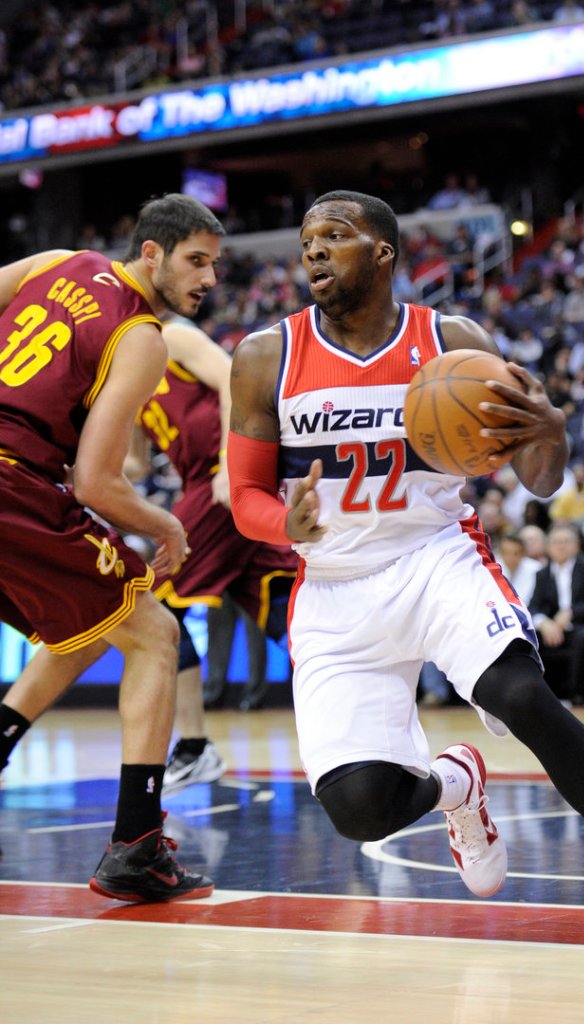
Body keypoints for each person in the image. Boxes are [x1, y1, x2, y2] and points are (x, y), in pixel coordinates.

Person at [226, 190, 584, 970]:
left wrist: (550, 433)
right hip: (333, 588)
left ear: (383, 252)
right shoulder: (265, 355)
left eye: (334, 237)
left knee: (522, 697)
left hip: (435, 556)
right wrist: (282, 525)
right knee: (360, 810)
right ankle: (457, 784)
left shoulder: (451, 341)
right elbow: (246, 497)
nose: (313, 252)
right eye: (306, 240)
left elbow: (537, 478)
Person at [0, 193, 224, 902]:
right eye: (196, 261)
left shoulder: (57, 262)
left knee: (93, 621)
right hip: (13, 483)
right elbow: (97, 481)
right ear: (150, 253)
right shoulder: (141, 335)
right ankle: (136, 846)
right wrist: (167, 525)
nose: (208, 279)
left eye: (215, 266)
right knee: (155, 634)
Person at [130, 316, 297, 786]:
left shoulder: (171, 337)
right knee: (276, 604)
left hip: (219, 480)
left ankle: (194, 745)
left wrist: (230, 462)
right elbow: (135, 462)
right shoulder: (124, 383)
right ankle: (366, 691)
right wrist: (74, 460)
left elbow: (233, 379)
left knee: (153, 606)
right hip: (210, 492)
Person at [528, 522, 584, 705]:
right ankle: (540, 698)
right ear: (548, 547)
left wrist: (570, 613)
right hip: (554, 630)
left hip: (583, 626)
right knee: (530, 640)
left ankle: (577, 695)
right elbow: (533, 607)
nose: (561, 546)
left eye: (566, 541)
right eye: (556, 542)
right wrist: (544, 623)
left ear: (576, 545)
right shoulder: (542, 574)